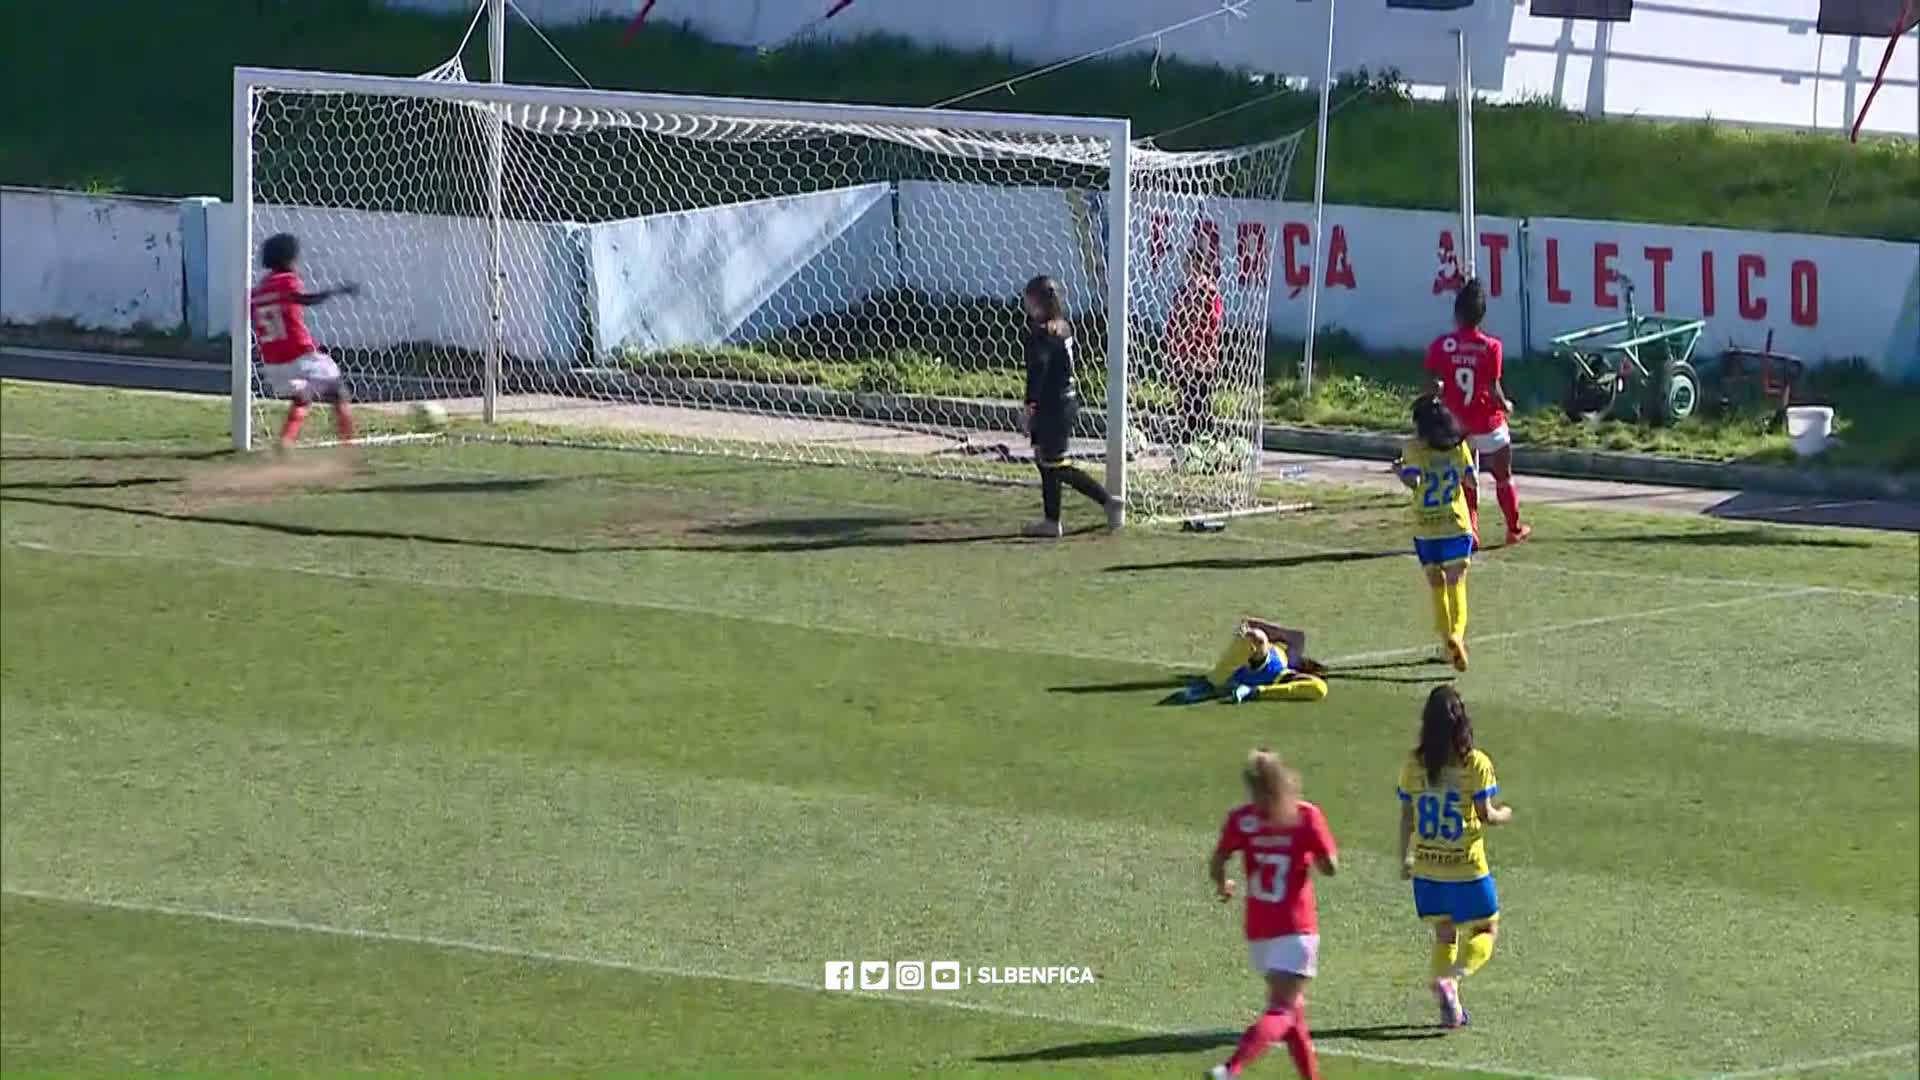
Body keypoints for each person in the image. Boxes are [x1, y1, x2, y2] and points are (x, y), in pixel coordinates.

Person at [1206, 748, 1337, 1080]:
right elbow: (1330, 866)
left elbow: (1218, 861)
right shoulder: (1304, 815)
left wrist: (1224, 885)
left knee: (1294, 1012)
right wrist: (1312, 857)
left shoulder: (1241, 818)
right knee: (1282, 1011)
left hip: (1259, 931)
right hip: (1296, 929)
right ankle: (1231, 1068)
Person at [1396, 685, 1513, 1029]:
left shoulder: (1413, 765)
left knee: (1445, 933)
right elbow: (1486, 814)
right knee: (1487, 928)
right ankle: (1454, 978)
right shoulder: (1475, 763)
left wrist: (1405, 856)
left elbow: (1406, 814)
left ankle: (1452, 1007)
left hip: (1427, 869)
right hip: (1466, 866)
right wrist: (1505, 814)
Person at [1424, 279, 1528, 545]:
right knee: (1503, 476)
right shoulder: (1491, 347)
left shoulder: (1442, 345)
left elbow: (1431, 384)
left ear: (1456, 313)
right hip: (1487, 422)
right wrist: (1505, 404)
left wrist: (1436, 394)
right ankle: (1513, 529)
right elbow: (1493, 387)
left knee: (1466, 480)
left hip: (1456, 424)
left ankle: (1471, 532)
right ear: (1481, 315)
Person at [1021, 275, 1122, 537]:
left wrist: (1029, 406)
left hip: (1052, 407)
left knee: (1056, 464)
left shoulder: (1043, 334)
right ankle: (1051, 521)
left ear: (1038, 302)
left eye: (1028, 300)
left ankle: (1107, 501)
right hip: (1065, 401)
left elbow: (1038, 372)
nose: (1025, 305)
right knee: (1046, 461)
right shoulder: (1063, 328)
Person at [249, 233, 361, 453]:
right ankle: (349, 449)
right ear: (288, 259)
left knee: (303, 397)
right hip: (300, 356)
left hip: (272, 364)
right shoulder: (286, 280)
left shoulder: (259, 290)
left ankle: (285, 441)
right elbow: (304, 299)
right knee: (339, 392)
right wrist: (335, 291)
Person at [1395, 396, 1477, 672]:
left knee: (1436, 584)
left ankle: (1446, 645)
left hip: (1426, 527)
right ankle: (1457, 635)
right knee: (1458, 583)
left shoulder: (1413, 449)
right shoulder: (1459, 447)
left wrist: (1399, 471)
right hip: (1455, 524)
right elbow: (1472, 481)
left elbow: (1413, 481)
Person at [1179, 618, 1329, 704]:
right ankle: (1211, 684)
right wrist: (1252, 630)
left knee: (1320, 689)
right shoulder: (1290, 654)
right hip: (1252, 663)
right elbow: (1250, 624)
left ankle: (1213, 684)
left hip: (1267, 672)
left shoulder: (1288, 666)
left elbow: (1316, 687)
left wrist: (1255, 692)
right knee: (1256, 637)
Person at [1167, 242, 1225, 454]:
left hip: (1201, 354)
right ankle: (1189, 440)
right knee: (1186, 397)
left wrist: (1201, 343)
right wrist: (1172, 343)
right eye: (1185, 264)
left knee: (1200, 396)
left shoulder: (1208, 292)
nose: (1186, 268)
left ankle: (1204, 440)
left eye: (1190, 263)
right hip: (1183, 353)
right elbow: (1173, 320)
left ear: (1200, 265)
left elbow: (1214, 321)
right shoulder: (1182, 292)